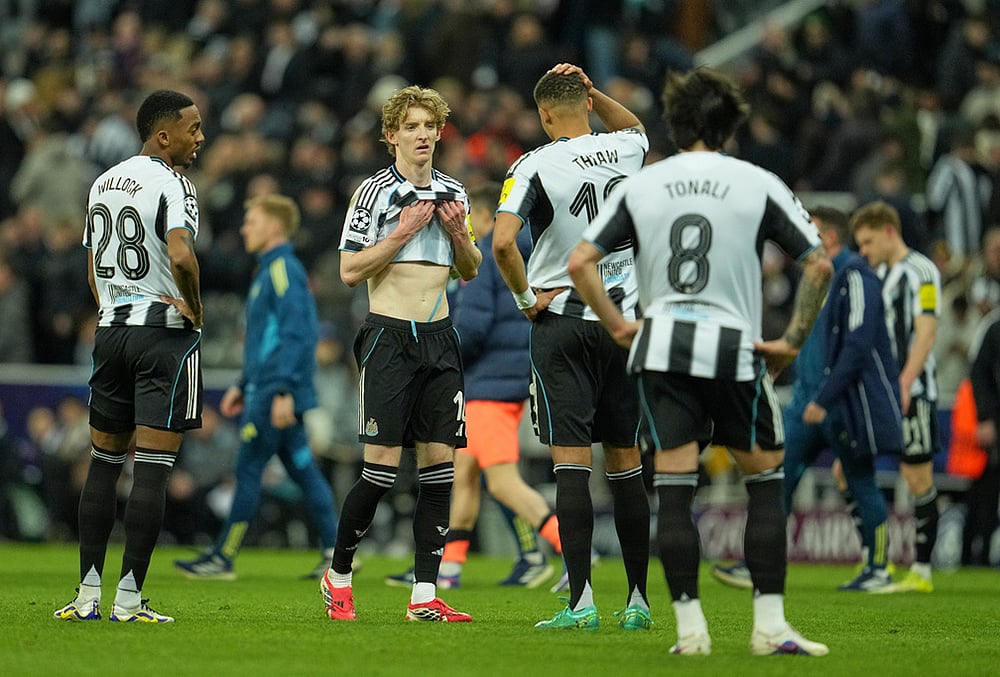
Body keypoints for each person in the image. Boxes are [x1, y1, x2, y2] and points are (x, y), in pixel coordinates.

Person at [568, 67, 832, 656]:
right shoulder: (757, 182)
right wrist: (790, 340)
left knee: (677, 490)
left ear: (675, 121)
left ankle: (691, 632)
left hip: (662, 347)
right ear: (732, 124)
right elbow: (818, 264)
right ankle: (768, 627)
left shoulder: (644, 185)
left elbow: (582, 260)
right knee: (764, 482)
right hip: (733, 348)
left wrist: (618, 326)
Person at [493, 63, 652, 631]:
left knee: (571, 464)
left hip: (561, 320)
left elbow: (504, 243)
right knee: (627, 463)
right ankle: (638, 602)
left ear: (542, 116)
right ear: (585, 104)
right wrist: (595, 92)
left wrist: (524, 298)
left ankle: (581, 603)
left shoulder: (533, 163)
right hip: (622, 321)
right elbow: (635, 126)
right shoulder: (626, 149)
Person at [319, 84, 481, 623]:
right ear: (391, 137)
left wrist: (460, 237)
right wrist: (402, 234)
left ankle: (424, 595)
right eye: (410, 126)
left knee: (440, 468)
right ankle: (339, 573)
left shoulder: (454, 190)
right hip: (389, 335)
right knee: (381, 472)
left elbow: (472, 268)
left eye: (429, 126)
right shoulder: (372, 194)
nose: (422, 135)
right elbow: (348, 271)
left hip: (439, 338)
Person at [54, 89, 204, 623]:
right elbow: (181, 253)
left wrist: (112, 308)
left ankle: (86, 596)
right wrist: (196, 309)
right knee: (154, 470)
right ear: (163, 135)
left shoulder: (102, 182)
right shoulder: (174, 183)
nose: (200, 138)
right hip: (162, 336)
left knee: (102, 465)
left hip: (111, 332)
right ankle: (128, 600)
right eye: (193, 129)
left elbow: (93, 264)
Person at [712, 207, 902, 593]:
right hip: (805, 401)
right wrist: (784, 359)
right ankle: (758, 563)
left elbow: (858, 343)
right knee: (773, 478)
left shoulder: (855, 275)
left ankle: (880, 567)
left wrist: (827, 396)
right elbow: (809, 336)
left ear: (827, 237)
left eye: (808, 231)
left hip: (840, 404)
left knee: (860, 479)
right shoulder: (815, 275)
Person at [385, 182, 562, 590]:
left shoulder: (486, 255)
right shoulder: (523, 256)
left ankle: (573, 549)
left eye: (466, 217)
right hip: (503, 380)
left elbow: (475, 327)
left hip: (487, 387)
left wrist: (438, 348)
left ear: (483, 216)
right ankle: (448, 568)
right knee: (461, 475)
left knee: (502, 482)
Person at [174, 193, 341, 580]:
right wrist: (242, 382)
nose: (245, 227)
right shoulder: (270, 270)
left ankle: (223, 557)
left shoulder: (282, 270)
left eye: (252, 220)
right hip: (266, 385)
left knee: (247, 468)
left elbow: (298, 333)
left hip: (272, 392)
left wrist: (282, 389)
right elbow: (266, 338)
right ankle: (337, 554)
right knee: (304, 472)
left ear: (274, 226)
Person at [850, 200, 943, 592]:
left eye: (869, 242)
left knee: (917, 475)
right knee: (847, 467)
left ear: (889, 231)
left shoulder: (921, 271)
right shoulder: (879, 274)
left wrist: (905, 381)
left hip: (913, 391)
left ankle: (921, 572)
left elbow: (925, 331)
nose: (865, 251)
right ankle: (876, 562)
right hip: (878, 392)